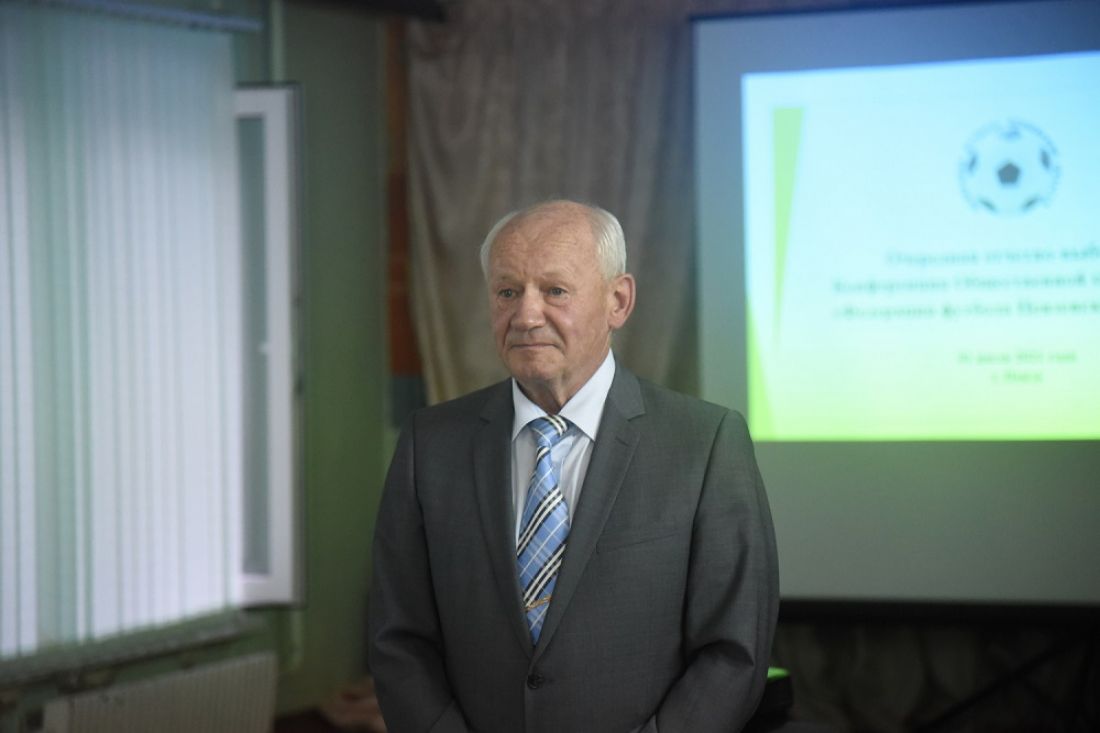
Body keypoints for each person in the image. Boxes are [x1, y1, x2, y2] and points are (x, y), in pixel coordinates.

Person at [369, 200, 778, 733]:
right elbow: (397, 638)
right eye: (507, 292)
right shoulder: (430, 444)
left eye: (555, 290)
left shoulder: (705, 443)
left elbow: (734, 649)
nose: (526, 316)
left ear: (618, 301)